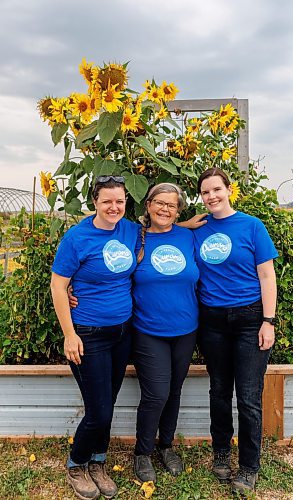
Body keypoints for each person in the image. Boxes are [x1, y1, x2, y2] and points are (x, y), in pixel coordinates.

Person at [51, 175, 138, 500]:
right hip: (88, 335)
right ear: (95, 203)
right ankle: (76, 463)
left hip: (122, 332)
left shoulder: (129, 230)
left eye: (120, 201)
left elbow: (162, 226)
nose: (114, 207)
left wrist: (189, 221)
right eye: (107, 201)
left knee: (108, 402)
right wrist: (69, 334)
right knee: (99, 410)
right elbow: (59, 285)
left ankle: (98, 461)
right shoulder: (78, 238)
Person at [192, 168, 278, 495]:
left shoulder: (252, 226)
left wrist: (268, 321)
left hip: (250, 320)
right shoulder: (198, 228)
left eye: (217, 189)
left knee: (248, 396)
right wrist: (187, 223)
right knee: (218, 391)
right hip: (211, 321)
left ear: (229, 190)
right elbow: (162, 230)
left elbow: (267, 276)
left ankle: (249, 465)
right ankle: (221, 451)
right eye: (205, 192)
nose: (212, 196)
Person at [131, 183, 199, 483]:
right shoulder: (135, 237)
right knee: (156, 393)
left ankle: (166, 446)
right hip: (149, 330)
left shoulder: (187, 236)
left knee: (173, 391)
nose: (165, 209)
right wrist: (71, 287)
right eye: (159, 203)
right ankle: (142, 452)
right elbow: (102, 260)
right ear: (148, 205)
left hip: (186, 329)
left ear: (178, 209)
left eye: (171, 205)